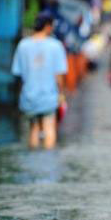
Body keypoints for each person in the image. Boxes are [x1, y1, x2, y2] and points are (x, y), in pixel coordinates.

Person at [11, 11, 67, 149]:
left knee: (34, 128)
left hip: (29, 96)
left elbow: (18, 73)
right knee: (49, 127)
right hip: (48, 97)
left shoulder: (23, 45)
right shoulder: (56, 46)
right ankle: (48, 162)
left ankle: (33, 159)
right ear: (48, 26)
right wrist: (61, 94)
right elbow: (59, 75)